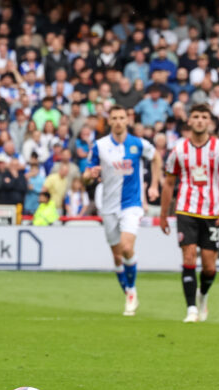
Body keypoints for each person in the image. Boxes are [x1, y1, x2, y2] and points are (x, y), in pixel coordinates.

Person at [159, 104, 219, 323]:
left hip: (212, 212)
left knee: (210, 266)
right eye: (196, 117)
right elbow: (168, 183)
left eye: (204, 117)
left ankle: (202, 295)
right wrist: (164, 215)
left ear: (209, 121)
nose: (200, 120)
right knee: (189, 256)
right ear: (189, 121)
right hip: (186, 209)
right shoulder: (179, 150)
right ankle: (191, 308)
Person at [84, 105, 162, 316]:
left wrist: (154, 185)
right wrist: (90, 174)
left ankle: (132, 291)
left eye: (122, 117)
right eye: (114, 118)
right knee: (117, 258)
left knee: (127, 248)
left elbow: (156, 157)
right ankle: (129, 291)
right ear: (109, 121)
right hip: (108, 207)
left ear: (128, 120)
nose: (118, 121)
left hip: (131, 204)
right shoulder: (100, 146)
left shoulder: (138, 144)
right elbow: (86, 175)